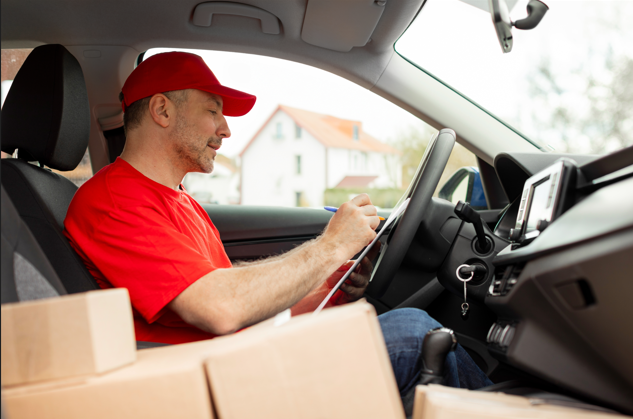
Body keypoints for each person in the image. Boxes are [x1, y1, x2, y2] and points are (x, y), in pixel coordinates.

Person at [64, 51, 491, 414]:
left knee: (398, 326)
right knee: (416, 334)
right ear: (162, 110)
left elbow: (236, 295)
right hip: (208, 385)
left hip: (233, 357)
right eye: (213, 110)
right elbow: (220, 307)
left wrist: (334, 284)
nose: (225, 129)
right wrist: (330, 245)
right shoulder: (113, 200)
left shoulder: (181, 202)